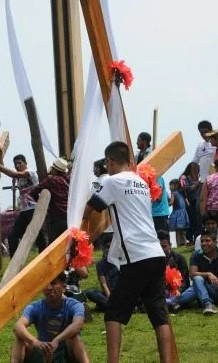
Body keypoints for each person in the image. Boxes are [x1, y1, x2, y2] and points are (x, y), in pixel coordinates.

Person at [82, 141, 176, 363]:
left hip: (136, 255)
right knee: (159, 315)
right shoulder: (141, 182)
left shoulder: (113, 182)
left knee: (113, 312)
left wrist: (83, 224)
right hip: (155, 252)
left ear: (111, 162)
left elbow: (93, 206)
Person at [11, 273, 90, 363]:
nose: (49, 288)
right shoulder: (35, 307)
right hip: (42, 350)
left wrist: (57, 340)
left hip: (64, 353)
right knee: (20, 337)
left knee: (74, 337)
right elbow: (18, 326)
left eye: (53, 283)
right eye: (45, 284)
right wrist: (35, 342)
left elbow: (78, 324)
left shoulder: (74, 305)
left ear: (63, 287)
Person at [0, 154, 46, 255]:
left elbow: (13, 174)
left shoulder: (30, 173)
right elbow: (5, 169)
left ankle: (44, 258)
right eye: (15, 164)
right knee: (13, 235)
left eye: (19, 163)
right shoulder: (18, 176)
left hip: (34, 209)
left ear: (25, 163)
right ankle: (14, 260)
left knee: (38, 236)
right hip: (25, 210)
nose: (17, 166)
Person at [32, 158, 70, 243]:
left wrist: (42, 204)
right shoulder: (69, 179)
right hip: (70, 217)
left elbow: (33, 192)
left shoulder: (51, 180)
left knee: (54, 246)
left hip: (56, 218)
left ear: (55, 170)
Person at [84, 236, 119, 312]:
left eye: (111, 247)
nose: (109, 249)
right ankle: (115, 306)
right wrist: (110, 298)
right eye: (107, 247)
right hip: (108, 294)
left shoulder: (122, 260)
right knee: (90, 292)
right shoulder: (101, 264)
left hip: (122, 294)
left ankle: (108, 306)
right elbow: (103, 284)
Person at [157, 230, 189, 312]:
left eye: (164, 246)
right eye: (158, 247)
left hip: (177, 292)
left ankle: (168, 304)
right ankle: (171, 304)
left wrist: (179, 290)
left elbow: (185, 280)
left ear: (170, 245)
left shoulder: (179, 258)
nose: (161, 250)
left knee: (191, 292)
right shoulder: (153, 260)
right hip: (161, 292)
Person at [177, 164, 201, 244]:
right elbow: (185, 190)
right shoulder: (184, 178)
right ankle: (190, 238)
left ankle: (196, 238)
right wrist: (196, 185)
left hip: (197, 201)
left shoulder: (197, 177)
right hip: (189, 202)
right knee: (192, 221)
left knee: (197, 221)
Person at [190, 120, 216, 186]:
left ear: (211, 131)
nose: (204, 135)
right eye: (201, 133)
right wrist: (195, 179)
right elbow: (194, 163)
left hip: (217, 180)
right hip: (203, 182)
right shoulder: (200, 146)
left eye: (206, 132)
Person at [168, 179, 189, 246]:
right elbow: (188, 204)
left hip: (177, 213)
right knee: (182, 231)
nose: (169, 187)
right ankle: (185, 243)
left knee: (177, 231)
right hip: (183, 212)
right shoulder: (182, 193)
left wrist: (165, 204)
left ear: (175, 185)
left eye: (170, 185)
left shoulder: (173, 193)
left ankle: (178, 245)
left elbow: (171, 202)